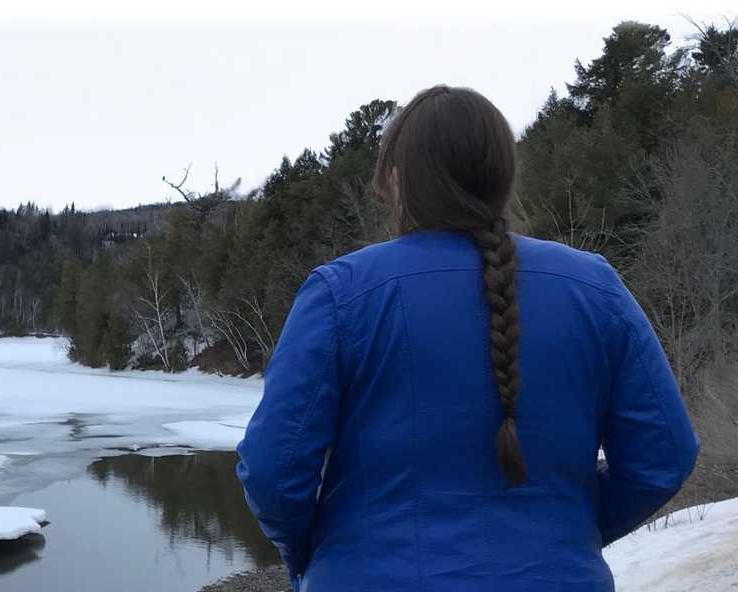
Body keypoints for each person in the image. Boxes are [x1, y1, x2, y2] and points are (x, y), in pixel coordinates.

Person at [235, 85, 699, 592]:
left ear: (397, 179)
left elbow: (273, 472)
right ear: (503, 177)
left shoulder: (342, 293)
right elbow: (664, 456)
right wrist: (566, 535)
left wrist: (319, 554)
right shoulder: (595, 288)